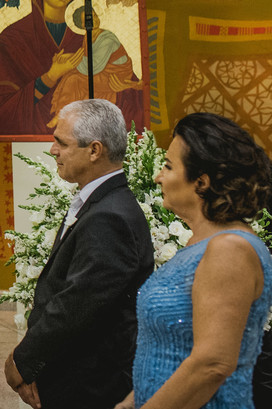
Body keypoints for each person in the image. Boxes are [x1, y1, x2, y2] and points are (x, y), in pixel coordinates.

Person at [116, 113, 272, 409]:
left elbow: (212, 364)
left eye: (168, 166)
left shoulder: (231, 249)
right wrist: (131, 401)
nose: (157, 176)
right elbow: (175, 346)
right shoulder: (200, 243)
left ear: (201, 182)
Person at [5, 98, 154, 409]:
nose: (52, 151)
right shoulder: (104, 202)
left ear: (94, 150)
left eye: (61, 142)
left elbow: (78, 302)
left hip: (90, 383)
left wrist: (23, 358)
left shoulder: (109, 216)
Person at [0, 0, 144, 137]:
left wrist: (118, 87)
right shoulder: (12, 40)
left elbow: (136, 102)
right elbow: (1, 115)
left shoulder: (88, 36)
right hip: (30, 148)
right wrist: (50, 77)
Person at [48, 5, 141, 125]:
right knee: (70, 76)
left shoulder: (107, 39)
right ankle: (66, 115)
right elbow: (87, 58)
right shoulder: (89, 36)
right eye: (88, 19)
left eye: (95, 15)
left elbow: (93, 66)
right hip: (104, 71)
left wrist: (70, 60)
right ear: (81, 25)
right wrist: (67, 58)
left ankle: (62, 115)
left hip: (117, 75)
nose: (94, 20)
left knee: (74, 79)